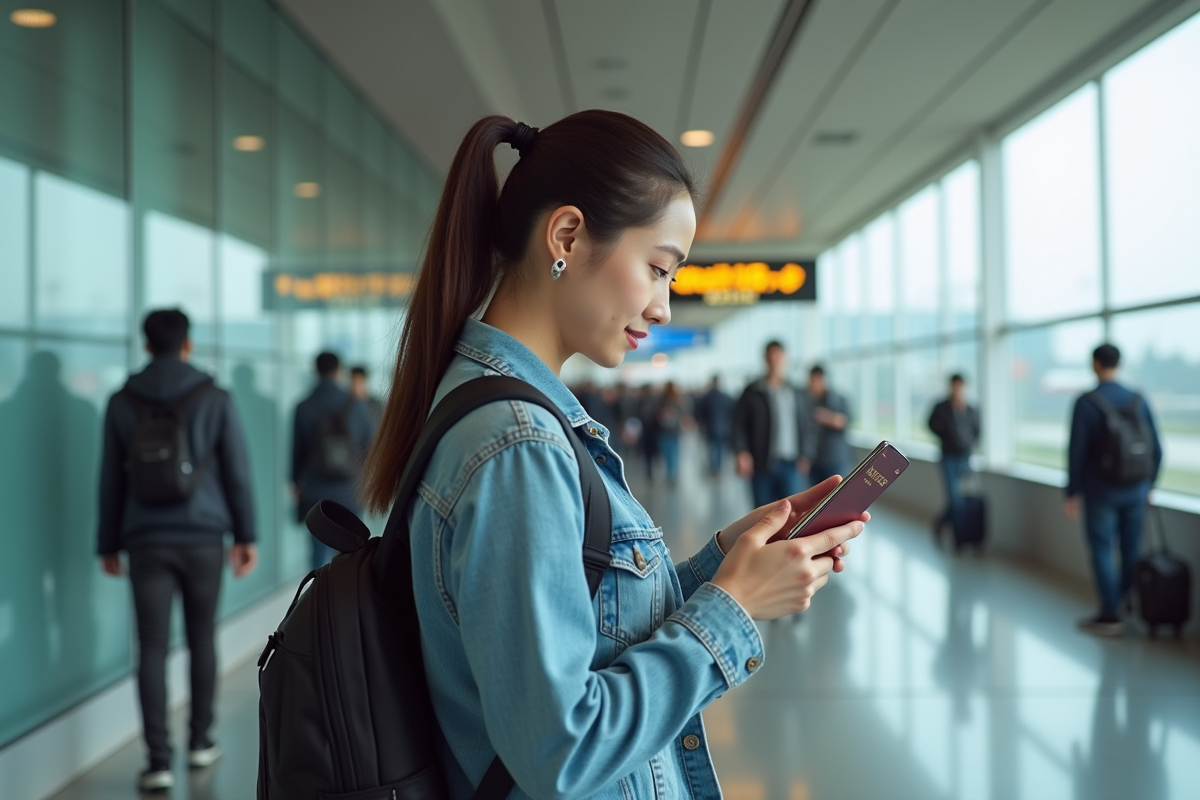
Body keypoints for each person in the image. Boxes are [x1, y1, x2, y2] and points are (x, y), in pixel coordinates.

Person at [357, 111, 866, 800]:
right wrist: (733, 607)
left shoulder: (493, 411)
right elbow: (560, 753)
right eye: (658, 269)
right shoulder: (518, 445)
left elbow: (589, 630)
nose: (662, 308)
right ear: (566, 236)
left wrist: (723, 563)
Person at [96, 309, 258, 792]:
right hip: (205, 537)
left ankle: (157, 760)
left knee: (150, 646)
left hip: (146, 538)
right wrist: (246, 536)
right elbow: (237, 472)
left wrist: (108, 542)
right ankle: (201, 740)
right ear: (187, 344)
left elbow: (110, 478)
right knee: (202, 637)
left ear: (146, 346)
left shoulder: (122, 401)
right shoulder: (214, 396)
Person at [1064, 343, 1162, 637]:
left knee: (1102, 550)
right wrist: (1149, 485)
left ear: (1095, 364)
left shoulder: (1086, 403)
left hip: (1100, 492)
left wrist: (1071, 491)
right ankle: (1124, 603)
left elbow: (1076, 452)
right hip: (1135, 490)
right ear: (1119, 363)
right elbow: (1156, 448)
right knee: (1131, 549)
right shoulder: (1138, 399)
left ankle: (1110, 613)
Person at [291, 352, 373, 571]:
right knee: (353, 557)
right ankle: (348, 601)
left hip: (317, 491)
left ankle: (318, 601)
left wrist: (295, 482)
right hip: (351, 490)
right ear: (339, 372)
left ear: (315, 371)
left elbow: (297, 452)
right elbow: (370, 447)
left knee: (317, 556)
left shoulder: (304, 406)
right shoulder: (357, 405)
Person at [733, 341, 808, 508]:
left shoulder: (796, 392)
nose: (775, 360)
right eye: (771, 356)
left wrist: (806, 453)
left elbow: (806, 424)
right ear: (765, 359)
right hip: (762, 463)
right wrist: (741, 452)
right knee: (762, 514)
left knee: (791, 513)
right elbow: (738, 424)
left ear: (785, 359)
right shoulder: (753, 391)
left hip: (791, 463)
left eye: (779, 356)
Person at [928, 374, 981, 540]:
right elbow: (931, 425)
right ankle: (959, 538)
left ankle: (942, 523)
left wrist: (970, 445)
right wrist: (947, 433)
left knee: (964, 499)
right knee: (954, 499)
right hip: (948, 457)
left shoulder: (970, 409)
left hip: (965, 457)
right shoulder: (941, 407)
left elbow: (977, 431)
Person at [803, 365, 852, 485]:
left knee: (837, 494)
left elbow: (844, 421)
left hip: (835, 459)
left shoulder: (837, 399)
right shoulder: (805, 400)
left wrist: (825, 417)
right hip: (814, 459)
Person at [694, 375, 735, 477]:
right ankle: (718, 467)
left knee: (713, 448)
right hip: (724, 428)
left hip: (710, 428)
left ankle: (714, 467)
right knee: (720, 449)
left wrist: (701, 423)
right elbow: (732, 412)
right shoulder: (726, 397)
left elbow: (699, 412)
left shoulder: (707, 397)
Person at [657, 381, 688, 485]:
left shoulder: (661, 400)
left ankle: (670, 471)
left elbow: (656, 414)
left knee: (666, 452)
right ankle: (673, 472)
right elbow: (682, 413)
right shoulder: (677, 399)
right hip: (675, 430)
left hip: (663, 430)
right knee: (674, 452)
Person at [349, 364, 384, 432]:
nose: (356, 386)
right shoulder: (347, 406)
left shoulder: (375, 404)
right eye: (353, 381)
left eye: (358, 381)